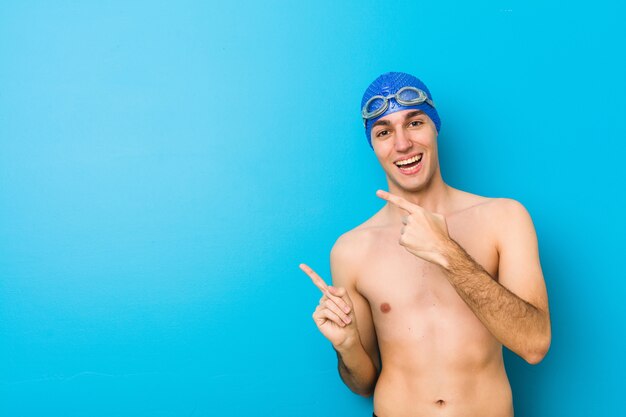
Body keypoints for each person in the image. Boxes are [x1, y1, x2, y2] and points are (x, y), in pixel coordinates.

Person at [299, 72, 551, 417]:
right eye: (384, 132)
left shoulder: (504, 218)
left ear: (435, 127)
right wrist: (346, 347)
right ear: (373, 145)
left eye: (414, 122)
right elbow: (362, 384)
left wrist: (448, 252)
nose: (402, 144)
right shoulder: (351, 249)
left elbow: (534, 344)